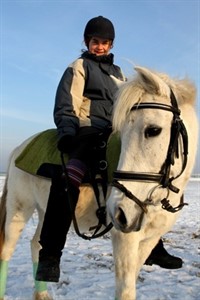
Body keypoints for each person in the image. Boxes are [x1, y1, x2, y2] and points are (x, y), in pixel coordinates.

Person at [36, 16, 182, 283]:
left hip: (115, 133)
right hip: (86, 130)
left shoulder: (119, 75)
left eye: (104, 43)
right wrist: (68, 133)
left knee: (140, 179)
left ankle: (153, 247)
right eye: (95, 42)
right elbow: (66, 102)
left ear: (111, 44)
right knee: (68, 179)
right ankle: (49, 255)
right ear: (87, 42)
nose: (99, 47)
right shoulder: (79, 66)